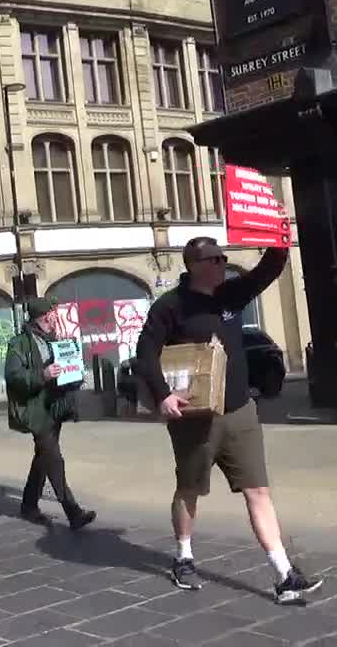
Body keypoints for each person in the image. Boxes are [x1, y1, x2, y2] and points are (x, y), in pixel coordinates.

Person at [133, 237, 322, 604]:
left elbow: (268, 271)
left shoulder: (231, 294)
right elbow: (145, 353)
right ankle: (184, 556)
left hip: (239, 411)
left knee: (258, 490)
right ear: (194, 264)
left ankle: (284, 574)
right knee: (190, 489)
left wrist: (278, 236)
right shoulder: (170, 307)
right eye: (215, 258)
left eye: (223, 257)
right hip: (195, 418)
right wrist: (163, 396)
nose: (223, 262)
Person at [5, 297, 96, 531]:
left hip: (55, 407)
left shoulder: (55, 340)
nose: (53, 320)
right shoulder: (19, 344)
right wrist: (42, 375)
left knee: (43, 457)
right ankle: (73, 512)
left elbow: (66, 370)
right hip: (36, 411)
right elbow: (14, 377)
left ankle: (28, 505)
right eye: (50, 316)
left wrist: (74, 371)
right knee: (54, 459)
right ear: (40, 318)